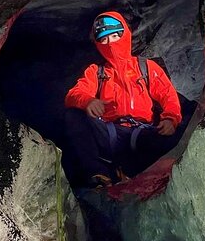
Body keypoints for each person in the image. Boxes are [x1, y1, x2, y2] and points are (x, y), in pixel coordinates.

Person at [63, 10, 182, 188]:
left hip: (141, 132)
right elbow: (74, 94)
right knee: (74, 116)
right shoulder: (96, 71)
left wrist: (170, 119)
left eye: (114, 36)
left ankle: (134, 172)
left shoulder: (147, 67)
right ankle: (100, 174)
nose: (110, 43)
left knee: (168, 136)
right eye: (103, 39)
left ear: (124, 33)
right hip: (109, 132)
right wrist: (88, 101)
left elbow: (168, 96)